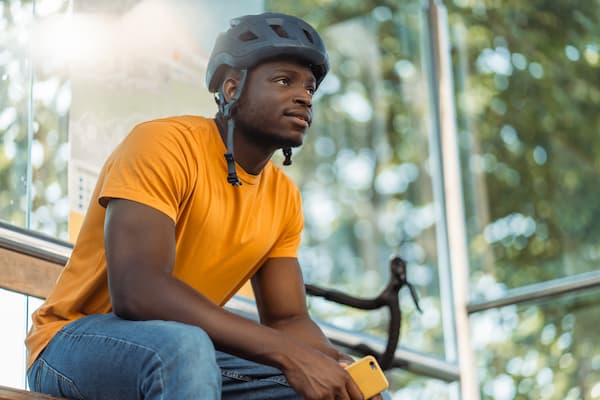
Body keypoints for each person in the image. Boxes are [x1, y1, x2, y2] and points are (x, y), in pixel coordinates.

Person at [25, 12, 387, 400]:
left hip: (185, 357)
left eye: (310, 89)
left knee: (347, 391)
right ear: (232, 89)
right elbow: (139, 290)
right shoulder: (163, 144)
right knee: (187, 347)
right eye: (284, 81)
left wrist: (334, 365)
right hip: (71, 344)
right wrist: (287, 353)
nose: (304, 97)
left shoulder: (283, 197)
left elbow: (288, 319)